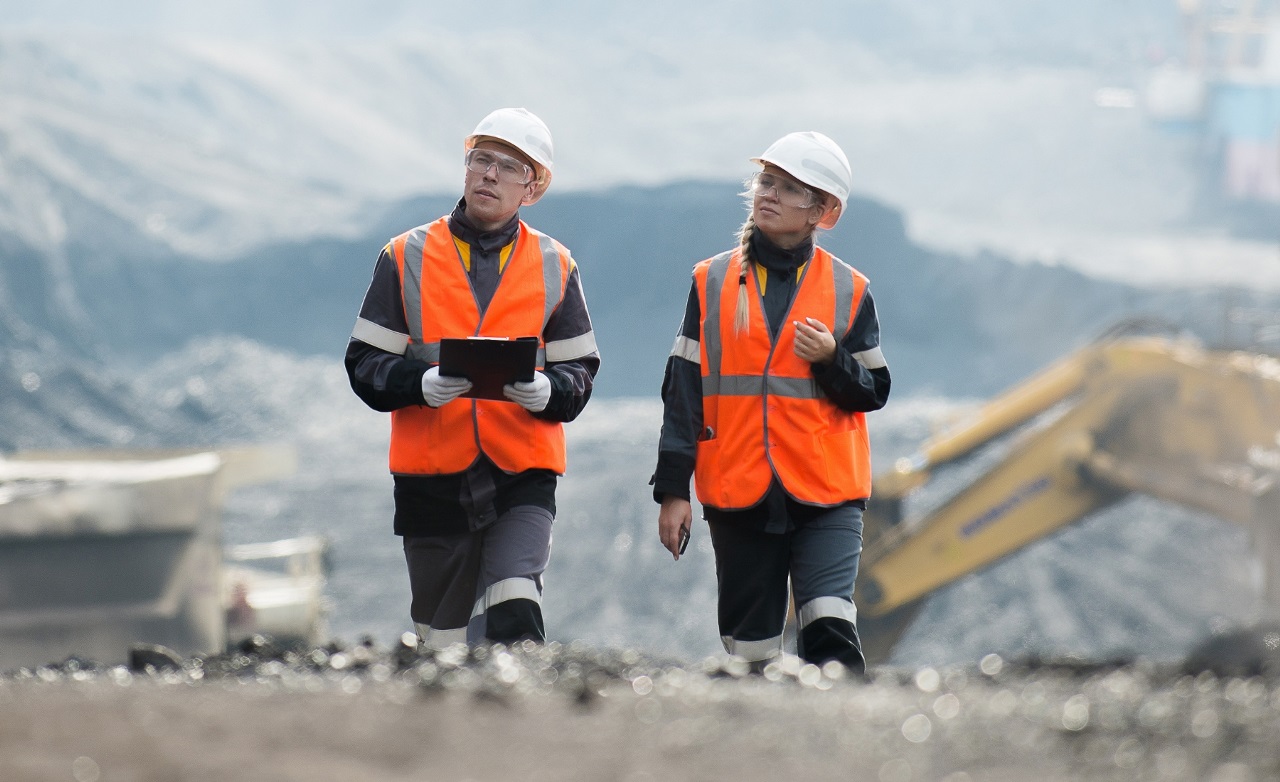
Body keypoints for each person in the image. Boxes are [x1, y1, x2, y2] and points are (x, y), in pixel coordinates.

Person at [346, 107, 599, 650]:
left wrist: (550, 391)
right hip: (432, 479)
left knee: (515, 608)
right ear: (465, 170)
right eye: (482, 160)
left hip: (521, 473)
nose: (490, 174)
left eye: (509, 167)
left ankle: (524, 731)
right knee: (443, 642)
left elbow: (580, 368)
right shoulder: (404, 256)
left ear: (532, 189)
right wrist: (417, 383)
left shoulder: (557, 265)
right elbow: (363, 363)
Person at [651, 132, 889, 674]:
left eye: (788, 188)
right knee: (750, 653)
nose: (769, 194)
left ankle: (840, 748)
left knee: (830, 627)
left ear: (822, 213)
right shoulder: (710, 281)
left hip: (827, 492)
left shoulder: (850, 289)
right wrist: (672, 490)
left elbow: (874, 390)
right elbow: (683, 390)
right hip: (739, 491)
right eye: (766, 181)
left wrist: (832, 359)